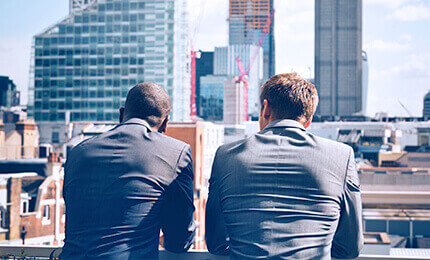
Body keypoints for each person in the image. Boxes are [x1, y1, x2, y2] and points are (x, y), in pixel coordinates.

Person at [206, 73, 363, 259]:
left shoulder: (226, 156)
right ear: (309, 119)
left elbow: (216, 243)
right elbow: (350, 248)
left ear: (266, 108)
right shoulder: (342, 156)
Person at [61, 83, 195, 259]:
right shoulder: (176, 153)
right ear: (165, 124)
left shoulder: (79, 152)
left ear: (121, 114)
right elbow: (179, 240)